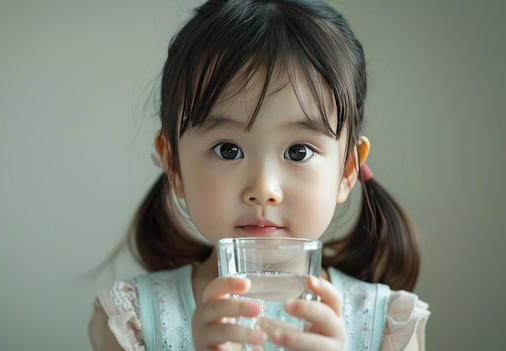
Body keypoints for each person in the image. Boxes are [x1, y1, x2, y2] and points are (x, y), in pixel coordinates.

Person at [89, 0, 430, 350]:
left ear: (346, 171)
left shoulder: (388, 324)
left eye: (298, 152)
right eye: (228, 150)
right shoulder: (131, 320)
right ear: (174, 166)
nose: (264, 190)